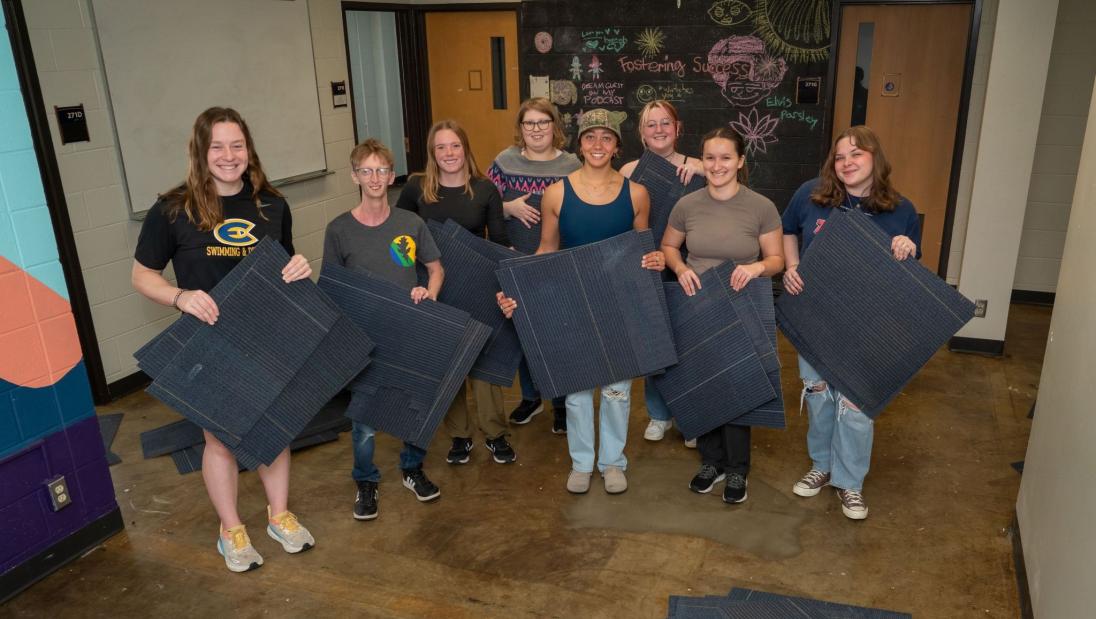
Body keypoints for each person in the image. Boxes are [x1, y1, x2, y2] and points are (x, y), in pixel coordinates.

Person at [132, 107, 315, 573]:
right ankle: (230, 528)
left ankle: (279, 516)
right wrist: (180, 296)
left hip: (267, 335)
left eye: (237, 145)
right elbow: (142, 276)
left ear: (249, 149)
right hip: (209, 341)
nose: (229, 156)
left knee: (275, 429)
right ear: (200, 151)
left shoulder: (272, 205)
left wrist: (299, 268)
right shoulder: (173, 210)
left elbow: (284, 266)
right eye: (217, 146)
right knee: (220, 440)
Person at [497, 108, 664, 495]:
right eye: (590, 138)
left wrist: (653, 259)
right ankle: (582, 462)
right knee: (576, 391)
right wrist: (515, 289)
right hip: (571, 302)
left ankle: (612, 462)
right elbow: (547, 250)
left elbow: (641, 251)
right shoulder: (557, 193)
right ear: (580, 143)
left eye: (606, 138)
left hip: (619, 305)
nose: (598, 145)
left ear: (617, 146)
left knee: (617, 390)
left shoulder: (636, 194)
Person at [782, 125, 921, 520]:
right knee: (820, 394)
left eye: (856, 154)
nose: (847, 163)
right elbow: (788, 229)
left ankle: (850, 483)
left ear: (875, 158)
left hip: (870, 321)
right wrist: (792, 265)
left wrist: (907, 249)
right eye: (840, 156)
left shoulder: (901, 210)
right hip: (817, 315)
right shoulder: (811, 196)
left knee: (855, 404)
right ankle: (822, 467)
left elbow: (911, 269)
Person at [323, 138, 445, 520]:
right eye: (366, 171)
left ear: (392, 176)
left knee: (414, 405)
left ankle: (412, 468)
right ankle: (366, 480)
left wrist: (429, 293)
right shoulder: (339, 229)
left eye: (381, 170)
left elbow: (436, 269)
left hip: (408, 330)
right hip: (364, 337)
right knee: (365, 421)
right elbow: (332, 288)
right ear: (354, 176)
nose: (374, 178)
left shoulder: (410, 223)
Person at [661, 127, 784, 504]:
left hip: (741, 304)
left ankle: (737, 470)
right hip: (698, 304)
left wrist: (756, 268)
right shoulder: (687, 205)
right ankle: (710, 463)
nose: (717, 165)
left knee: (739, 388)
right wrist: (680, 269)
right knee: (704, 383)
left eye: (725, 157)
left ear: (740, 161)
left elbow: (777, 259)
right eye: (710, 157)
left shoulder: (761, 207)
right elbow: (669, 246)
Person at [396, 120, 517, 467]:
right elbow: (400, 241)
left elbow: (498, 240)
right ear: (432, 153)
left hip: (478, 285)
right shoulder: (417, 189)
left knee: (483, 361)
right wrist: (411, 279)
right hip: (435, 286)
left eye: (455, 146)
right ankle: (459, 437)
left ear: (465, 149)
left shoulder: (484, 189)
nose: (449, 153)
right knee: (448, 363)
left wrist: (509, 281)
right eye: (441, 147)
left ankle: (495, 434)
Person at [486, 98, 581, 433]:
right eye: (529, 123)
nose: (537, 129)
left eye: (543, 122)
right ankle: (531, 396)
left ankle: (560, 403)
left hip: (559, 261)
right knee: (523, 331)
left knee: (559, 333)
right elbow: (484, 201)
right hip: (517, 257)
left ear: (555, 126)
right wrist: (508, 208)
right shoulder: (504, 161)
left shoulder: (572, 165)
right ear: (521, 129)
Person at [619, 100, 706, 445]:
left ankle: (689, 414)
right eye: (651, 124)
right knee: (654, 341)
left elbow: (734, 179)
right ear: (641, 132)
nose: (659, 130)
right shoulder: (627, 172)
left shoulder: (698, 168)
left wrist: (701, 170)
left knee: (688, 343)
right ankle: (658, 414)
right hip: (644, 266)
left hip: (686, 265)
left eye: (665, 123)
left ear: (678, 127)